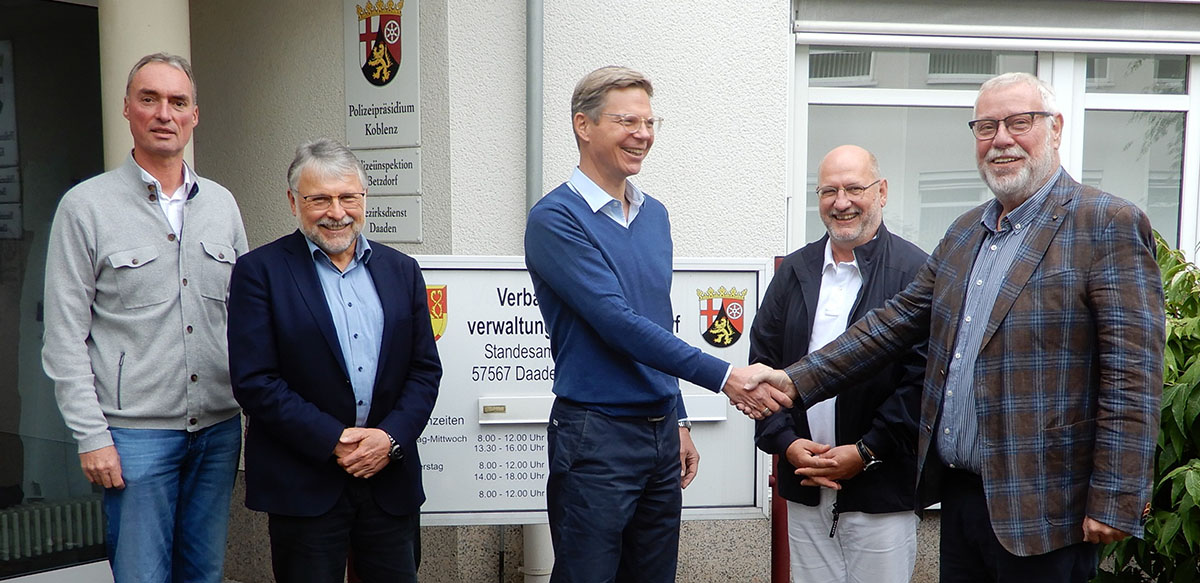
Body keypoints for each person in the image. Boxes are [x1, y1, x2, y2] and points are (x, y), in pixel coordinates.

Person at [751, 72, 1165, 583]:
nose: (1002, 139)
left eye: (1019, 122)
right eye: (986, 127)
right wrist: (794, 382)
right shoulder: (966, 231)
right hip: (962, 495)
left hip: (1047, 504)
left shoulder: (1106, 223)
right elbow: (893, 324)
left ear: (1055, 128)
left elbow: (1133, 375)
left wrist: (1118, 497)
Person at [523, 65, 787, 583]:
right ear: (583, 125)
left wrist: (680, 416)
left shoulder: (654, 214)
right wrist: (724, 376)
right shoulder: (555, 219)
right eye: (627, 121)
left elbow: (655, 320)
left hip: (660, 432)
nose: (643, 135)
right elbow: (617, 323)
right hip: (595, 435)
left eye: (649, 122)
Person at [42, 53, 247, 582]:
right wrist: (92, 436)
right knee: (141, 576)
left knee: (204, 574)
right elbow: (64, 336)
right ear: (127, 109)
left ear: (194, 115)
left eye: (177, 102)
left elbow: (246, 318)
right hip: (134, 438)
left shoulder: (222, 205)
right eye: (149, 99)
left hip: (219, 430)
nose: (164, 113)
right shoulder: (85, 207)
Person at [227, 137, 441, 583]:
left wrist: (390, 439)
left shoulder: (401, 270)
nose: (336, 211)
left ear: (364, 199)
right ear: (292, 201)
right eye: (319, 199)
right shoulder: (259, 272)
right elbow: (255, 381)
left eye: (348, 197)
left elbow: (424, 370)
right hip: (304, 482)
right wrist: (334, 440)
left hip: (389, 480)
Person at [751, 145, 927, 583]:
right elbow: (762, 366)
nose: (841, 202)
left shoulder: (915, 271)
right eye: (829, 191)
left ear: (882, 191)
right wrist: (788, 445)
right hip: (805, 484)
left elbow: (923, 380)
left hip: (882, 489)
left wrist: (865, 453)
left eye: (854, 188)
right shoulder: (794, 271)